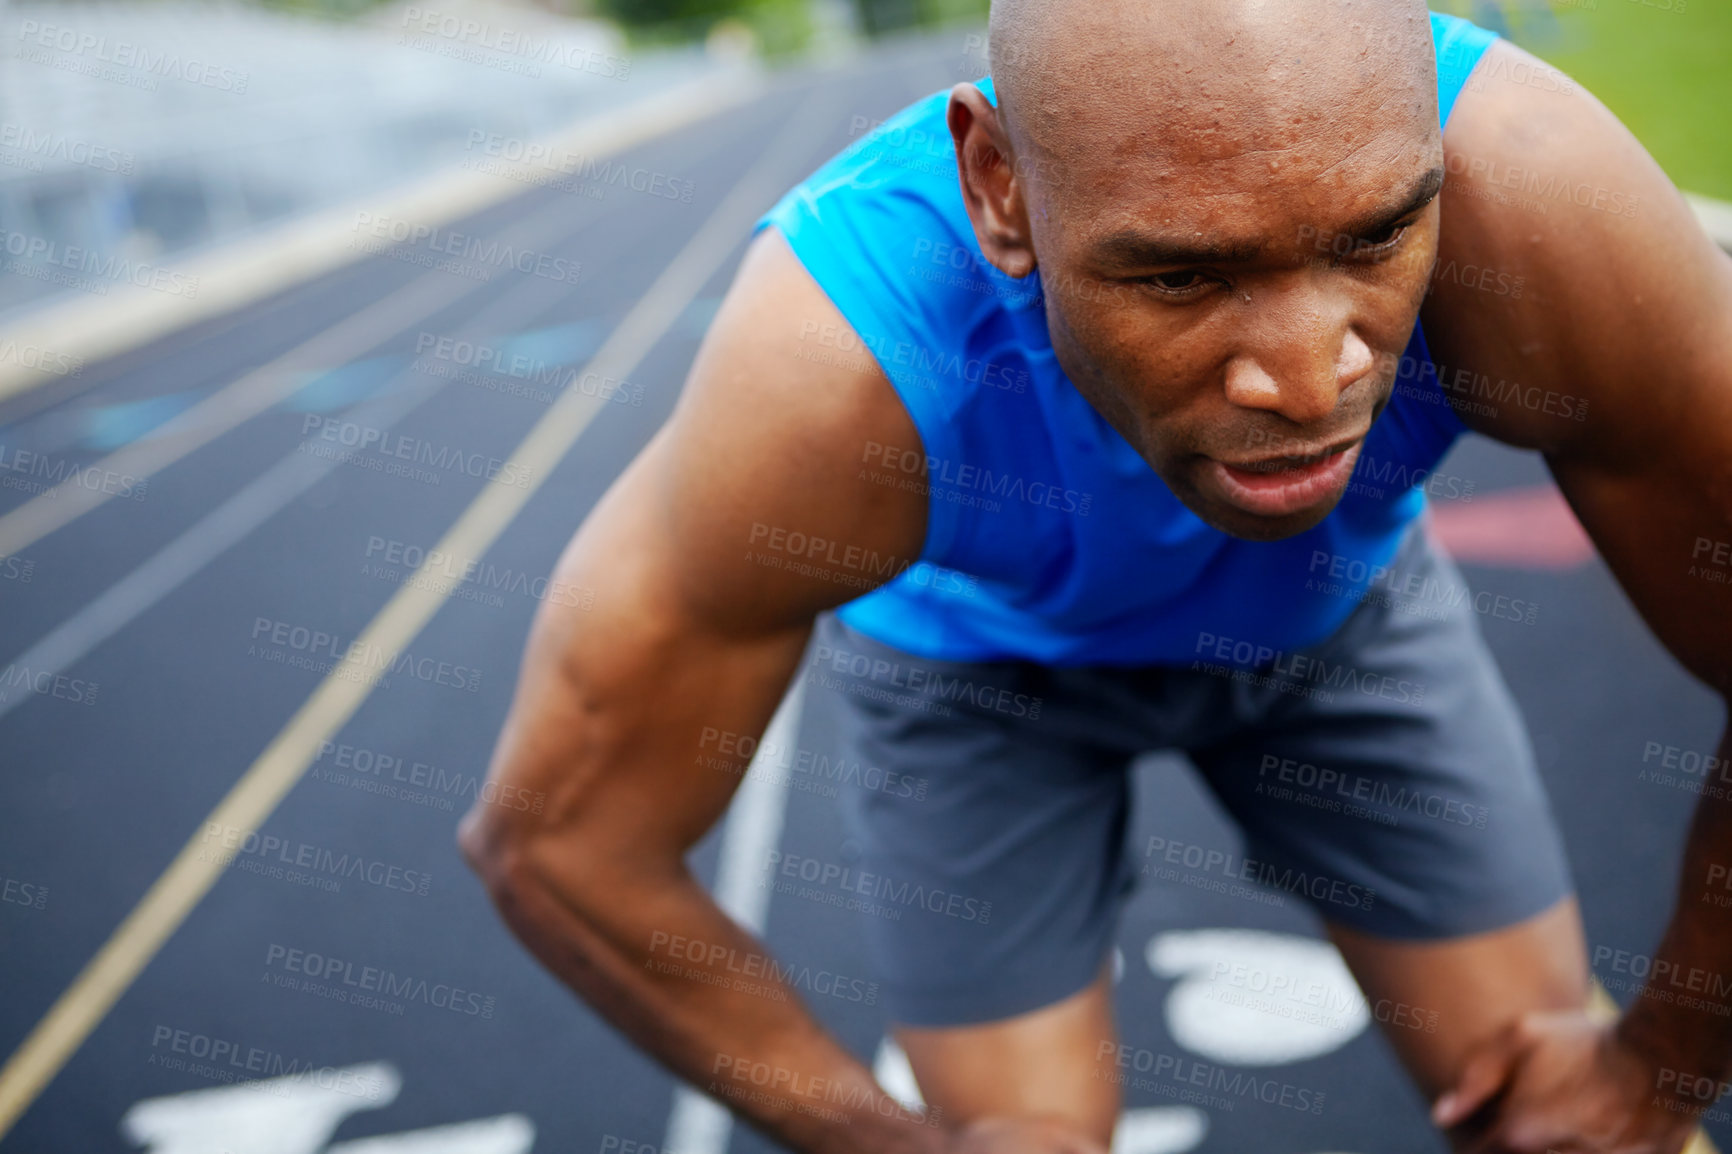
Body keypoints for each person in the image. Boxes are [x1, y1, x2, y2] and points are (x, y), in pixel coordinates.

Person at [457, 2, 1732, 1150]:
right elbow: (559, 843)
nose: (1299, 382)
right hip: (974, 673)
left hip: (1336, 618)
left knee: (1562, 1123)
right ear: (999, 186)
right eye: (1182, 272)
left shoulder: (1537, 205)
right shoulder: (833, 373)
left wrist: (1659, 1074)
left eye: (1374, 236)